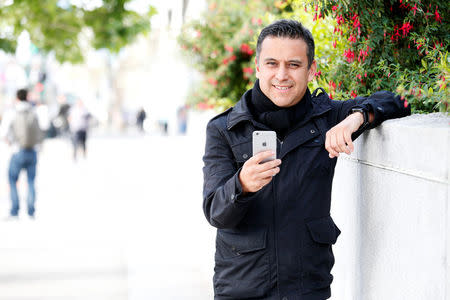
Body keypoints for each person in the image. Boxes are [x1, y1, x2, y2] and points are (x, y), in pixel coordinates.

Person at [202, 19, 411, 300]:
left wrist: (356, 118)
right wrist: (242, 184)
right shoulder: (224, 128)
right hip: (241, 289)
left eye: (294, 64)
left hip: (307, 288)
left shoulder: (328, 117)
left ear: (311, 70)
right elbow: (215, 212)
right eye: (272, 64)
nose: (282, 75)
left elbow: (400, 99)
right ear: (258, 67)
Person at [0, 88, 44, 219]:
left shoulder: (12, 112)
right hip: (32, 150)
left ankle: (15, 210)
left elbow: (3, 133)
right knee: (31, 181)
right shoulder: (34, 112)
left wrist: (10, 141)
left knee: (12, 180)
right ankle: (31, 211)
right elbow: (40, 130)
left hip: (17, 150)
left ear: (17, 98)